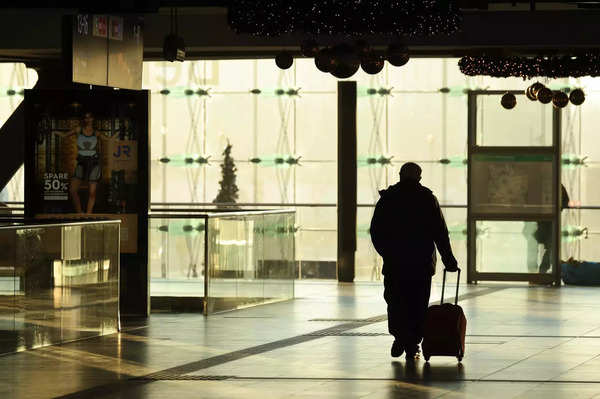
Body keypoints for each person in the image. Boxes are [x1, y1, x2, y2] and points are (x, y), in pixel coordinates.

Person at [370, 162, 458, 359]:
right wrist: (448, 259)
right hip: (421, 263)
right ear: (419, 178)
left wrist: (387, 253)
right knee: (418, 303)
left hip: (395, 264)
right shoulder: (427, 199)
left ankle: (400, 336)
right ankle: (412, 343)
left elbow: (376, 231)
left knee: (395, 302)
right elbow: (440, 233)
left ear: (400, 175)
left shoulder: (388, 199)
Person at [53, 111, 117, 214]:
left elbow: (108, 139)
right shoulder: (79, 130)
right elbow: (65, 135)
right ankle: (79, 212)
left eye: (90, 117)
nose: (88, 119)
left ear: (92, 119)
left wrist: (118, 132)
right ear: (84, 119)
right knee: (73, 190)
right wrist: (54, 131)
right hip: (82, 162)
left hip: (93, 162)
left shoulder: (96, 132)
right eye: (86, 117)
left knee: (92, 192)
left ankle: (88, 214)